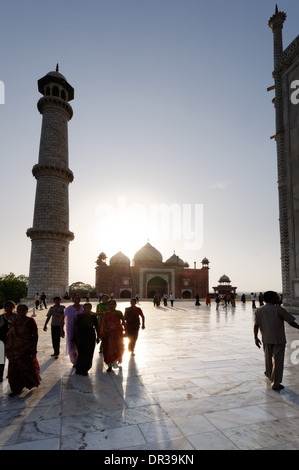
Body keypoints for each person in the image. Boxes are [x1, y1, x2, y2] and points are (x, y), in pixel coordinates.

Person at [254, 290, 299, 391]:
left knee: (268, 359)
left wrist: (255, 338)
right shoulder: (278, 309)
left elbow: (256, 325)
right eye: (276, 296)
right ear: (272, 299)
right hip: (278, 339)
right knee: (278, 361)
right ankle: (276, 383)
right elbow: (291, 321)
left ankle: (270, 376)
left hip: (266, 338)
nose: (278, 298)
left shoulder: (259, 310)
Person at [5, 304, 41, 397]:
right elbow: (10, 334)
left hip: (26, 349)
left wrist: (34, 347)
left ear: (26, 311)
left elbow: (35, 335)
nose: (21, 312)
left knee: (26, 368)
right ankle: (16, 389)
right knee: (13, 370)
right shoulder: (14, 321)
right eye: (19, 310)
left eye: (23, 310)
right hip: (14, 350)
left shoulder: (30, 321)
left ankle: (29, 383)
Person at [72, 303, 100, 376]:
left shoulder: (94, 317)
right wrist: (74, 337)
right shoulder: (80, 316)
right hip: (81, 336)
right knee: (81, 352)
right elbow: (76, 327)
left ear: (90, 308)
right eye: (85, 307)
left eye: (88, 307)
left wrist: (98, 337)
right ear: (83, 308)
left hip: (90, 336)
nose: (87, 309)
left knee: (89, 353)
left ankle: (86, 369)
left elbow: (96, 327)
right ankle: (79, 369)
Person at [100, 299, 124, 372]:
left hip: (117, 333)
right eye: (110, 304)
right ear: (108, 305)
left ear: (115, 305)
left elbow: (123, 321)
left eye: (113, 304)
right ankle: (110, 366)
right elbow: (104, 323)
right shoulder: (106, 313)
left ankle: (118, 359)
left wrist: (125, 331)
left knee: (118, 347)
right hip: (108, 333)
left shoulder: (119, 313)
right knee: (108, 349)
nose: (112, 305)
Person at [61, 293, 84, 366]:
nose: (77, 300)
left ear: (80, 299)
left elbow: (90, 314)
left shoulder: (83, 307)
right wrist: (62, 330)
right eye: (75, 298)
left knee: (80, 345)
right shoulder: (69, 309)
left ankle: (80, 361)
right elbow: (62, 319)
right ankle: (74, 361)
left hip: (81, 330)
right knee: (72, 345)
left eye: (78, 298)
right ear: (73, 299)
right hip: (71, 330)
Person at [0, 301, 17, 381]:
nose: (9, 308)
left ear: (13, 307)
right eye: (7, 306)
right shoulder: (1, 317)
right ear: (4, 307)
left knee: (12, 358)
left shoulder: (16, 317)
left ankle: (11, 374)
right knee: (1, 359)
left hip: (13, 340)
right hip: (1, 339)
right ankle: (0, 375)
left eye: (10, 306)